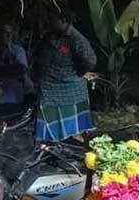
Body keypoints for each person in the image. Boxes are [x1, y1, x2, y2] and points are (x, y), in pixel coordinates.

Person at [34, 12, 97, 141]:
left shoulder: (76, 38)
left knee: (74, 134)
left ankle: (70, 145)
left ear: (62, 20)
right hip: (48, 86)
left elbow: (90, 60)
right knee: (47, 123)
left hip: (69, 86)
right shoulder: (50, 35)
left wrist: (79, 72)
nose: (49, 23)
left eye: (52, 20)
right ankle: (49, 143)